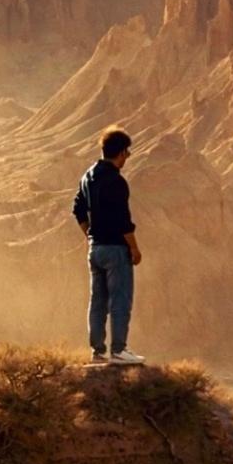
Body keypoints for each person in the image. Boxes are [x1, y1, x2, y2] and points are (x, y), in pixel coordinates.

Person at [72, 129, 144, 365]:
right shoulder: (116, 181)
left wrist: (90, 235)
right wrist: (134, 248)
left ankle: (97, 351)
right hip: (115, 249)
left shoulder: (87, 177)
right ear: (122, 152)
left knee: (98, 300)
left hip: (95, 249)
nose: (127, 157)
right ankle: (119, 350)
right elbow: (123, 220)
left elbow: (78, 209)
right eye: (127, 153)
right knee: (120, 299)